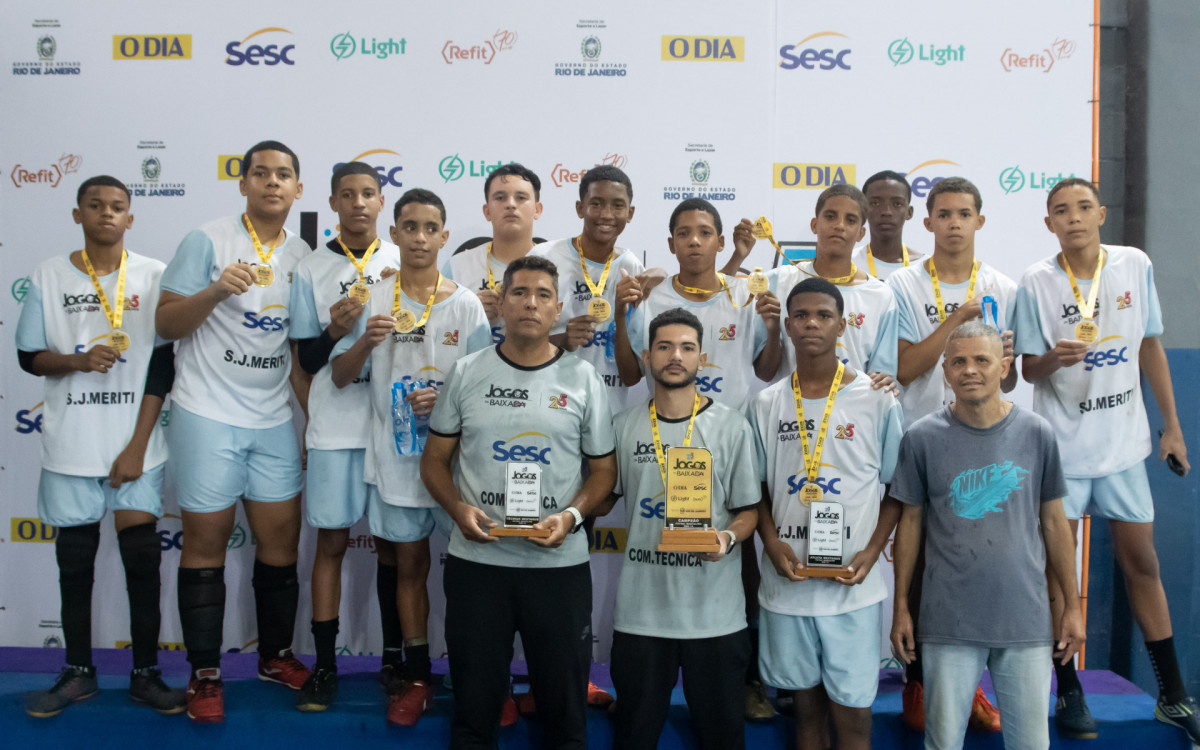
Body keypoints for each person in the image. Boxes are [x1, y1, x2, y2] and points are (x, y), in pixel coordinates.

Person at [1013, 178, 1199, 744]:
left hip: (1122, 449)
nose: (1073, 218)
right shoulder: (1037, 280)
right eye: (1061, 211)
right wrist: (1052, 358)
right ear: (1048, 224)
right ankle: (1068, 689)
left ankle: (1172, 694)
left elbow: (1148, 345)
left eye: (1083, 208)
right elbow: (1026, 371)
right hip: (1063, 455)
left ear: (1102, 214)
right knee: (1057, 578)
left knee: (1142, 563)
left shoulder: (1134, 264)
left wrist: (1172, 427)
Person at [421, 255, 618, 748]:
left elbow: (604, 471)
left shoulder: (583, 379)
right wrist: (456, 509)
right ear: (501, 304)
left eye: (543, 295)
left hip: (559, 569)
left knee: (565, 714)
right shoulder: (467, 372)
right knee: (474, 709)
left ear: (556, 311)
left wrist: (573, 516)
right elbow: (433, 462)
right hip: (477, 565)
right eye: (519, 292)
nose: (530, 302)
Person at [155, 140, 312, 723]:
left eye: (284, 175)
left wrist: (310, 422)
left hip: (272, 418)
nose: (273, 183)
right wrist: (218, 288)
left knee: (279, 544)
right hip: (205, 412)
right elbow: (165, 323)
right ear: (243, 183)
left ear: (298, 188)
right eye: (261, 173)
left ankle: (274, 657)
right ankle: (204, 673)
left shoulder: (303, 254)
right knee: (205, 543)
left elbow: (296, 352)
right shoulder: (207, 239)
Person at [16, 176, 183, 717]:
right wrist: (77, 361)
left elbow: (164, 364)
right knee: (74, 565)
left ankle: (145, 674)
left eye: (117, 207)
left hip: (135, 447)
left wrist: (137, 445)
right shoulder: (48, 273)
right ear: (78, 214)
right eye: (96, 206)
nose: (107, 214)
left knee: (141, 565)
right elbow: (29, 357)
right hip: (71, 446)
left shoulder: (155, 275)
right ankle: (79, 672)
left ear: (130, 218)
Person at [330, 187, 491, 725]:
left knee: (471, 574)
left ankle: (481, 677)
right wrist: (363, 344)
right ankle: (417, 675)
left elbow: (487, 387)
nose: (420, 237)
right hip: (396, 459)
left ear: (445, 236)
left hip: (457, 464)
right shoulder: (371, 298)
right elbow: (338, 375)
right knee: (408, 568)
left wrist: (445, 397)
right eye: (410, 227)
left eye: (430, 228)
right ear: (393, 234)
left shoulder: (466, 305)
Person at [890, 321, 1084, 750]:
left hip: (1026, 621)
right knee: (943, 743)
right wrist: (901, 606)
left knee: (1031, 743)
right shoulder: (921, 438)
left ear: (1004, 367)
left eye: (982, 360)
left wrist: (1072, 606)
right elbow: (910, 525)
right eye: (958, 361)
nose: (969, 370)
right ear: (945, 370)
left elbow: (1055, 524)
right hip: (947, 623)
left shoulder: (1037, 434)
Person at [885, 177, 1017, 732]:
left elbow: (1005, 377)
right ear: (928, 222)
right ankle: (919, 686)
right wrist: (957, 323)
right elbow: (907, 367)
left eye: (965, 213)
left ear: (980, 221)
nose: (955, 223)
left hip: (983, 441)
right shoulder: (900, 284)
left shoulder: (1004, 286)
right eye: (944, 213)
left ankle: (971, 688)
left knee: (979, 560)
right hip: (920, 436)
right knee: (919, 563)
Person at [750, 278, 903, 750]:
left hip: (850, 591)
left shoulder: (877, 398)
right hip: (788, 586)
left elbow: (900, 488)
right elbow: (754, 489)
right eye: (801, 315)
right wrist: (772, 542)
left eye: (823, 315)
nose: (811, 323)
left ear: (842, 325)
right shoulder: (766, 403)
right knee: (806, 715)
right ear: (789, 327)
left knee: (854, 719)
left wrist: (873, 552)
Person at [603, 308, 760, 749]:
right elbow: (601, 497)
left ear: (702, 357)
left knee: (722, 737)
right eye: (665, 346)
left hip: (715, 616)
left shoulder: (731, 427)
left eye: (687, 347)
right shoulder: (624, 427)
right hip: (642, 614)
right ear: (647, 355)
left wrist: (727, 537)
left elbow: (749, 511)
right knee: (633, 736)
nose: (676, 356)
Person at [287, 161, 400, 712]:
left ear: (382, 202)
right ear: (332, 203)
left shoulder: (406, 259)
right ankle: (326, 666)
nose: (358, 203)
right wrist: (334, 329)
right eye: (347, 195)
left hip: (392, 427)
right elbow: (306, 359)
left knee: (393, 547)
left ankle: (395, 662)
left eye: (369, 194)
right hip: (334, 427)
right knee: (330, 543)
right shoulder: (309, 268)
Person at [440, 162, 542, 345]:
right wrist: (470, 314)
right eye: (500, 197)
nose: (511, 204)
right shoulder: (457, 267)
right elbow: (436, 333)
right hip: (474, 372)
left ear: (537, 210)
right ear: (487, 211)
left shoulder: (557, 263)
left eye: (521, 197)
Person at [851, 170, 924, 281]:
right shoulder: (848, 263)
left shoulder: (926, 267)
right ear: (864, 210)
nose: (886, 211)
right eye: (875, 203)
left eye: (897, 204)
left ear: (909, 212)